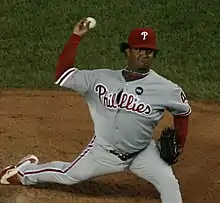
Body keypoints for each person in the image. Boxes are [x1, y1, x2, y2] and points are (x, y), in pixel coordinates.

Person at [0, 18, 191, 203]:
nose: (144, 54)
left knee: (169, 184)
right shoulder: (100, 78)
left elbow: (182, 112)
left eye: (149, 50)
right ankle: (23, 172)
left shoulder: (166, 88)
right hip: (103, 151)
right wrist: (76, 37)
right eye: (139, 49)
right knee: (69, 175)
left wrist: (180, 144)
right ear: (128, 51)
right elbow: (63, 75)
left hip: (143, 153)